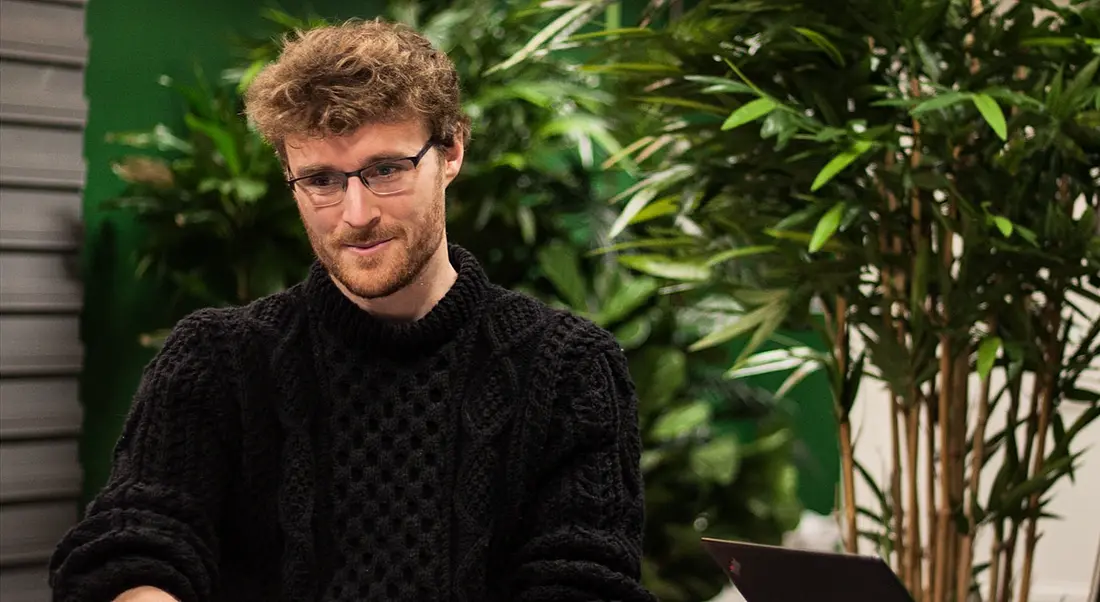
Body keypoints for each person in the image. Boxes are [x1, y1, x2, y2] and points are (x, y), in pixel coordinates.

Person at [48, 17, 654, 602]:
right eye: (321, 180)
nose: (356, 213)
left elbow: (585, 578)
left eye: (386, 169)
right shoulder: (218, 358)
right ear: (289, 177)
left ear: (451, 154)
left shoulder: (570, 368)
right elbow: (135, 539)